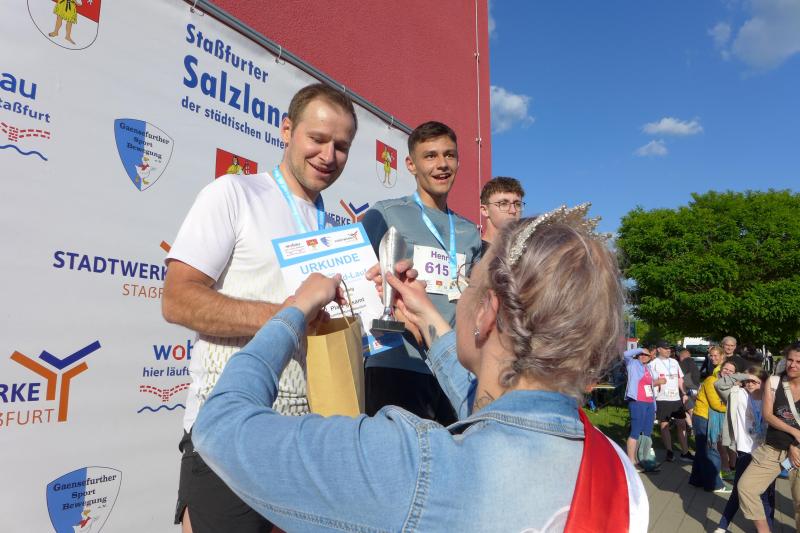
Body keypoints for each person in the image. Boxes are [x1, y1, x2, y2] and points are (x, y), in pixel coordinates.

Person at [191, 206, 649, 532]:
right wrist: (429, 321)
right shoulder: (617, 471)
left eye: (468, 284)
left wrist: (293, 311)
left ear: (488, 312)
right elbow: (498, 406)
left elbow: (219, 425)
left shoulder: (415, 467)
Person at [162, 83, 358, 533]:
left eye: (342, 146)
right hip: (231, 435)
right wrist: (288, 315)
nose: (328, 155)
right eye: (317, 139)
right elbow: (177, 299)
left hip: (307, 442)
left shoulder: (333, 230)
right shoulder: (234, 193)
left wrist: (377, 300)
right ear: (286, 130)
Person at [360, 121, 482, 425]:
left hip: (452, 366)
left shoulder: (469, 232)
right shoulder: (386, 213)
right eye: (430, 156)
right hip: (398, 364)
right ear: (411, 165)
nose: (442, 164)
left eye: (449, 155)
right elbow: (359, 281)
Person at [739, 342, 800, 533]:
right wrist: (794, 433)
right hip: (773, 449)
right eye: (790, 360)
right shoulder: (774, 382)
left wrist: (795, 445)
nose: (793, 365)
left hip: (798, 453)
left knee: (799, 503)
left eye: (799, 361)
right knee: (746, 488)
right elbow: (768, 415)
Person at [713, 366, 775, 533]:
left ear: (764, 383)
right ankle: (722, 526)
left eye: (754, 381)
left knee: (767, 494)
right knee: (738, 490)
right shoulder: (737, 394)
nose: (750, 384)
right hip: (745, 450)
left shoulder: (770, 398)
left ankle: (769, 527)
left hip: (767, 451)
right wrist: (743, 375)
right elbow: (719, 384)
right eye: (747, 381)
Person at [689, 348, 734, 493]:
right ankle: (715, 484)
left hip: (705, 416)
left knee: (702, 450)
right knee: (711, 450)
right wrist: (733, 406)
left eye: (731, 371)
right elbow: (716, 404)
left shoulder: (719, 379)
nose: (727, 372)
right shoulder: (712, 380)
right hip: (704, 417)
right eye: (725, 370)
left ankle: (696, 480)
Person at [648, 340, 692, 461]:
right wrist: (657, 383)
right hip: (662, 398)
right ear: (658, 349)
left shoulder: (674, 362)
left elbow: (680, 379)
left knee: (682, 424)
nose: (668, 350)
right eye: (665, 348)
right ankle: (669, 451)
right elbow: (648, 382)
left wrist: (684, 393)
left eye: (669, 348)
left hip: (676, 398)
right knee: (664, 425)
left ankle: (685, 452)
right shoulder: (653, 364)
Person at [623, 347, 658, 467]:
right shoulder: (632, 364)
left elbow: (652, 384)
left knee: (647, 433)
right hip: (637, 402)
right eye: (641, 354)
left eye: (646, 355)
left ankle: (644, 459)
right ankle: (631, 461)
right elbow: (625, 354)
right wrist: (640, 349)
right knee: (635, 432)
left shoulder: (649, 368)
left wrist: (654, 407)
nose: (643, 356)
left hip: (649, 403)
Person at [479, 176, 525, 255]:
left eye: (517, 204)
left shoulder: (525, 254)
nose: (513, 211)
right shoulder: (473, 253)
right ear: (485, 210)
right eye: (503, 204)